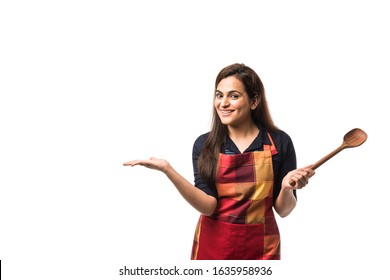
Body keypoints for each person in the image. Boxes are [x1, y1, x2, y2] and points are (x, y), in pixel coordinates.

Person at [123, 63, 315, 260]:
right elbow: (208, 206)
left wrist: (286, 188)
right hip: (214, 248)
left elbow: (284, 210)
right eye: (219, 95)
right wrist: (167, 169)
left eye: (233, 96)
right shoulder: (204, 145)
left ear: (254, 101)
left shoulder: (279, 142)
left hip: (262, 248)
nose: (223, 103)